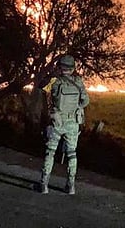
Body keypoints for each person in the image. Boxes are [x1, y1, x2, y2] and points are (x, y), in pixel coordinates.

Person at [39, 55, 89, 195]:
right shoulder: (78, 82)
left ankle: (44, 185)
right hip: (73, 122)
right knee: (72, 154)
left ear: (60, 67)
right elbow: (85, 101)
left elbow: (41, 88)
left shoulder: (54, 81)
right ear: (73, 68)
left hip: (57, 121)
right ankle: (71, 186)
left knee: (50, 152)